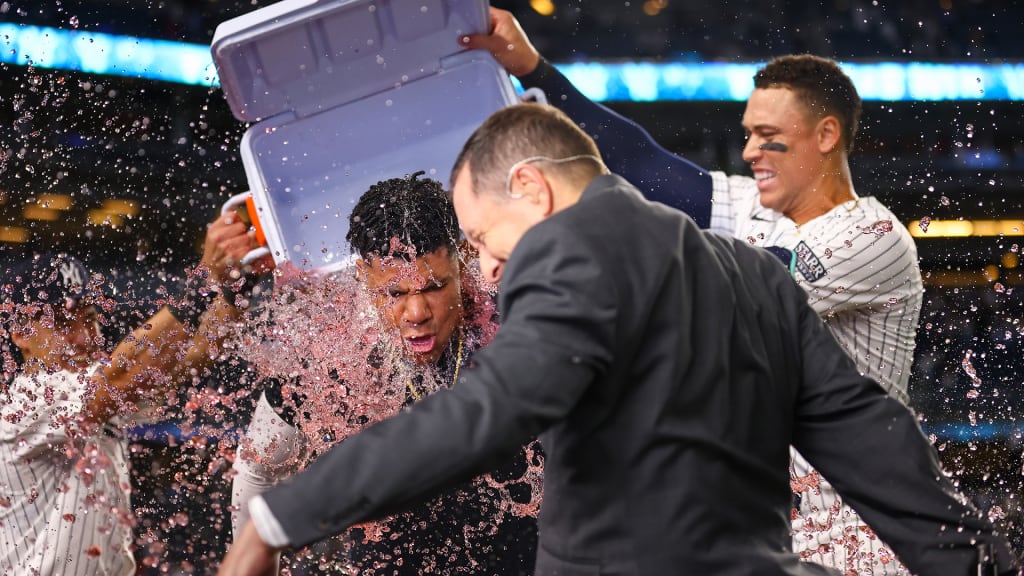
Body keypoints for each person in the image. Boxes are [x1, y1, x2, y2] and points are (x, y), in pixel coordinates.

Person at [217, 103, 1019, 576]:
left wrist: (280, 519)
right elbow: (878, 444)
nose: (488, 265)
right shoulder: (753, 275)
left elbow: (485, 414)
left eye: (483, 237)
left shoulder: (569, 256)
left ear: (530, 186)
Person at [461, 10, 924, 574]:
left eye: (770, 138)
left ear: (826, 135)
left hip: (855, 537)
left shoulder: (873, 236)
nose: (751, 151)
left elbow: (734, 285)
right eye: (749, 133)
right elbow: (642, 164)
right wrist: (535, 69)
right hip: (762, 528)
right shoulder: (754, 206)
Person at [230, 172, 539, 575]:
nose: (416, 314)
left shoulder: (518, 325)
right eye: (394, 294)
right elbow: (258, 465)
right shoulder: (329, 356)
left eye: (433, 287)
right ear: (363, 276)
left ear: (463, 258)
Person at [0, 212, 255, 575]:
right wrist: (202, 280)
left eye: (87, 317)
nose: (83, 337)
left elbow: (198, 352)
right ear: (22, 332)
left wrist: (238, 283)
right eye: (62, 322)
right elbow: (117, 379)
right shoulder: (24, 403)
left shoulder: (92, 393)